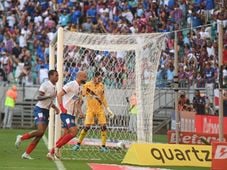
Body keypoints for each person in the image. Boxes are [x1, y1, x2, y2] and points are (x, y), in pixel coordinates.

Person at [15, 70, 59, 160]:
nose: (57, 77)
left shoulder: (55, 88)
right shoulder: (45, 85)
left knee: (40, 134)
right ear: (50, 76)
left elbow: (50, 101)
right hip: (39, 109)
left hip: (46, 111)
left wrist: (55, 108)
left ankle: (26, 154)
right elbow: (39, 97)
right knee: (40, 130)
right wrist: (48, 96)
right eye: (56, 75)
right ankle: (21, 137)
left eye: (58, 76)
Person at [46, 71, 87, 160]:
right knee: (74, 131)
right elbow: (59, 94)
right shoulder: (72, 84)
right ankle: (56, 149)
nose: (86, 79)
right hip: (66, 113)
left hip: (71, 115)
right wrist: (61, 107)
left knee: (65, 135)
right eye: (85, 77)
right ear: (79, 76)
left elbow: (78, 103)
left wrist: (80, 113)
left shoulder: (80, 88)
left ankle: (52, 152)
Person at [72, 71, 114, 152]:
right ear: (94, 77)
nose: (100, 79)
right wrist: (73, 99)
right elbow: (81, 94)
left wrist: (108, 108)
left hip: (100, 109)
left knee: (104, 126)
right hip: (90, 109)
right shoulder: (87, 85)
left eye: (101, 78)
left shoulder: (101, 85)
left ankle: (103, 146)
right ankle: (78, 144)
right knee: (86, 127)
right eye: (99, 78)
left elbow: (103, 98)